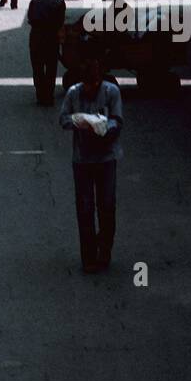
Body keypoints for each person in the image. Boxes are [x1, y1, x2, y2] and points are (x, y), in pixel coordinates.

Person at [59, 54, 123, 272]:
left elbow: (118, 120)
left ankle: (104, 251)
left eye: (93, 84)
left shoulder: (111, 92)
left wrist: (104, 125)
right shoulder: (74, 93)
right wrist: (81, 121)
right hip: (82, 159)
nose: (90, 88)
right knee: (85, 209)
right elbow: (63, 119)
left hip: (107, 159)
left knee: (107, 207)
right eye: (87, 84)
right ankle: (88, 258)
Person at [26, 0, 68, 106]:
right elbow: (60, 22)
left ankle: (40, 94)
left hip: (36, 36)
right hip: (51, 38)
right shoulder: (59, 2)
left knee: (37, 67)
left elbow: (30, 17)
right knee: (51, 68)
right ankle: (48, 95)